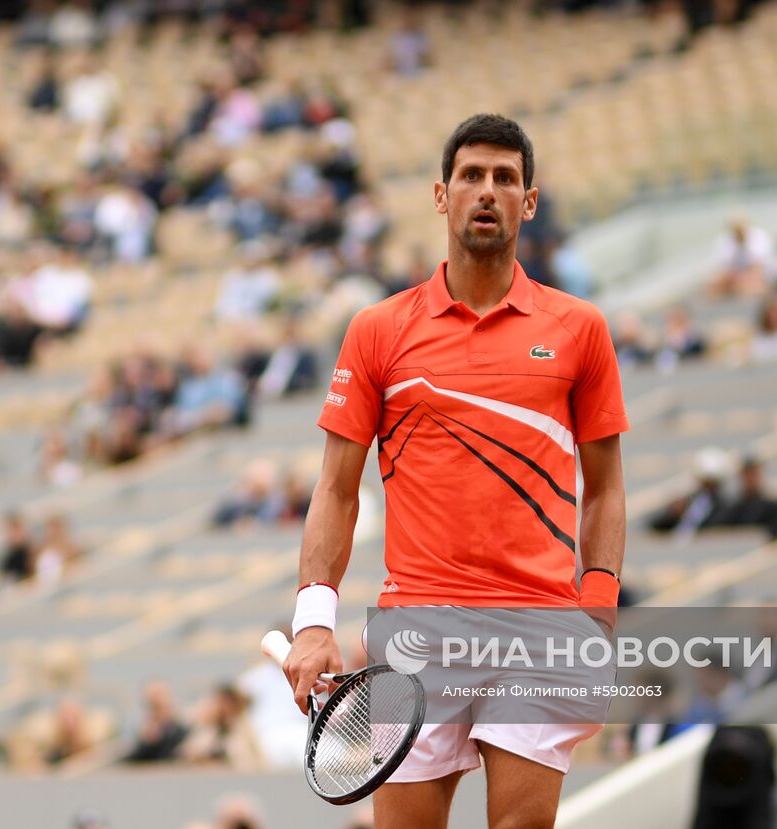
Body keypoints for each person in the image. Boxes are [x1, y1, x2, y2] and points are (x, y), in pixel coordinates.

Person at [282, 114, 629, 829]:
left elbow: (607, 485)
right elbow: (337, 488)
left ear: (528, 202)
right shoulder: (378, 329)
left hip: (539, 626)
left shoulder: (579, 328)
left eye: (505, 178)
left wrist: (598, 608)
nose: (487, 190)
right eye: (472, 175)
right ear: (442, 195)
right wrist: (314, 621)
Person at [715, 457, 777, 539]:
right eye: (746, 474)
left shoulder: (774, 507)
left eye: (753, 473)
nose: (750, 479)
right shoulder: (734, 509)